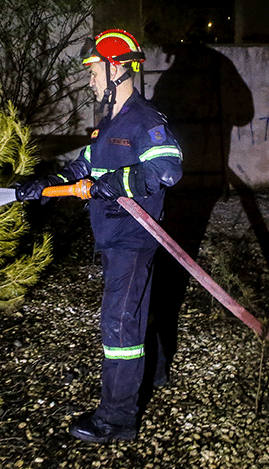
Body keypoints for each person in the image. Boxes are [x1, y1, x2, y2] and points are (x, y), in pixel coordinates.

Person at [15, 29, 183, 443]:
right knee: (138, 307)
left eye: (93, 70)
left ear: (116, 68)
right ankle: (155, 375)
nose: (89, 79)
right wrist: (44, 185)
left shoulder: (146, 121)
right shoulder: (109, 125)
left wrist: (116, 181)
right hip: (112, 235)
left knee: (119, 324)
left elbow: (166, 171)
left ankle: (117, 419)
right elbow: (82, 168)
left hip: (133, 237)